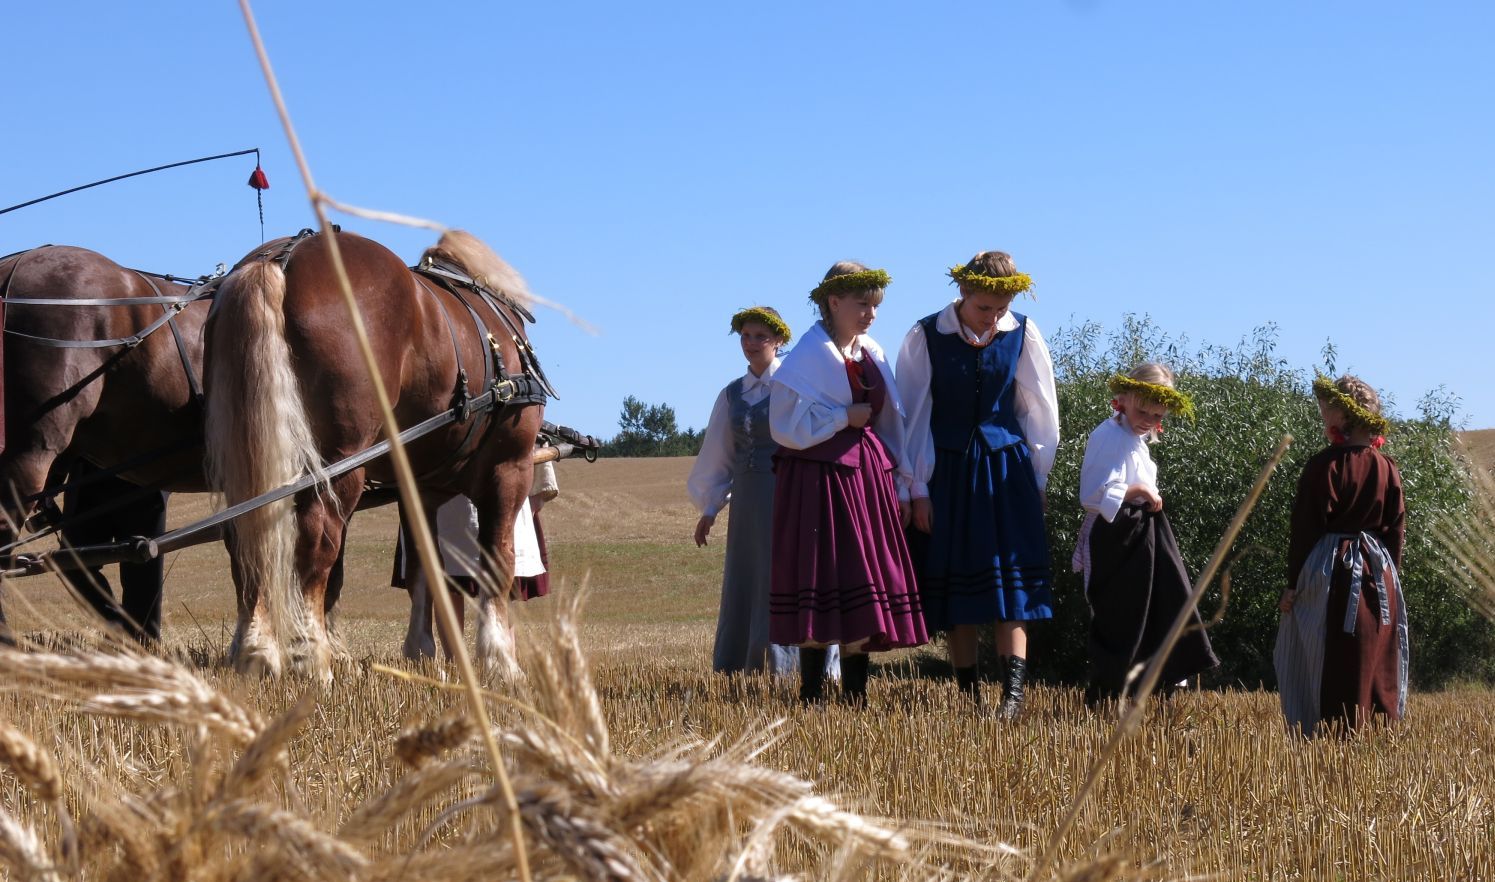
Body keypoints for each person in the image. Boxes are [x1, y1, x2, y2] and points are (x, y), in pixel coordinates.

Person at [894, 251, 1058, 718]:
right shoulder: (926, 336)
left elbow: (1039, 411)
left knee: (1013, 586)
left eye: (1002, 307)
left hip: (1007, 472)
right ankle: (968, 695)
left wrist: (1037, 477)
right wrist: (917, 488)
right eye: (985, 307)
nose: (993, 317)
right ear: (963, 293)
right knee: (957, 587)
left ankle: (1012, 698)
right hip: (947, 471)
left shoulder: (1024, 334)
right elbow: (912, 417)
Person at [769, 262, 927, 705]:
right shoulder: (805, 358)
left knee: (862, 575)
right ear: (833, 302)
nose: (870, 314)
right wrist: (843, 418)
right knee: (821, 576)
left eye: (875, 305)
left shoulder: (870, 352)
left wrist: (900, 483)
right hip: (817, 480)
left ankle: (856, 693)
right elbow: (783, 426)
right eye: (862, 304)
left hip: (866, 479)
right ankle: (812, 692)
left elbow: (892, 421)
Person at [688, 306, 839, 680]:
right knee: (748, 574)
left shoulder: (794, 386)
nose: (752, 344)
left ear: (779, 341)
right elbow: (719, 454)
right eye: (746, 336)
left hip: (790, 494)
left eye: (761, 337)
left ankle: (792, 667)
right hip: (748, 501)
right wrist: (710, 508)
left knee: (786, 575)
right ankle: (744, 663)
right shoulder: (732, 395)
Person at [1073, 364, 1218, 707]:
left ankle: (1154, 685)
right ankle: (1109, 692)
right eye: (1142, 411)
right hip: (1114, 536)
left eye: (1156, 416)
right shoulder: (1107, 436)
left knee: (1162, 603)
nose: (1148, 420)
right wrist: (1135, 489)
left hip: (1142, 534)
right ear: (1123, 398)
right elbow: (1091, 494)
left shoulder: (1139, 443)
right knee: (1122, 614)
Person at [1275, 374, 1408, 736]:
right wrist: (1390, 579)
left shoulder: (1325, 466)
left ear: (1340, 418)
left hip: (1333, 570)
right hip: (1378, 574)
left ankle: (1330, 729)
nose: (1322, 417)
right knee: (1374, 653)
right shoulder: (1388, 467)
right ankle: (1375, 730)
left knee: (1333, 650)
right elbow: (1395, 530)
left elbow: (1306, 529)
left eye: (1325, 410)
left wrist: (1293, 586)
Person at [393, 459, 555, 659]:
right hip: (479, 487)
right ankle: (492, 660)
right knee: (492, 584)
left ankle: (465, 661)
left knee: (465, 583)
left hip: (450, 487)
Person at [58, 459, 169, 642]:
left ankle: (143, 646)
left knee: (142, 575)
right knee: (71, 563)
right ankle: (118, 625)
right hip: (87, 480)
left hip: (142, 479)